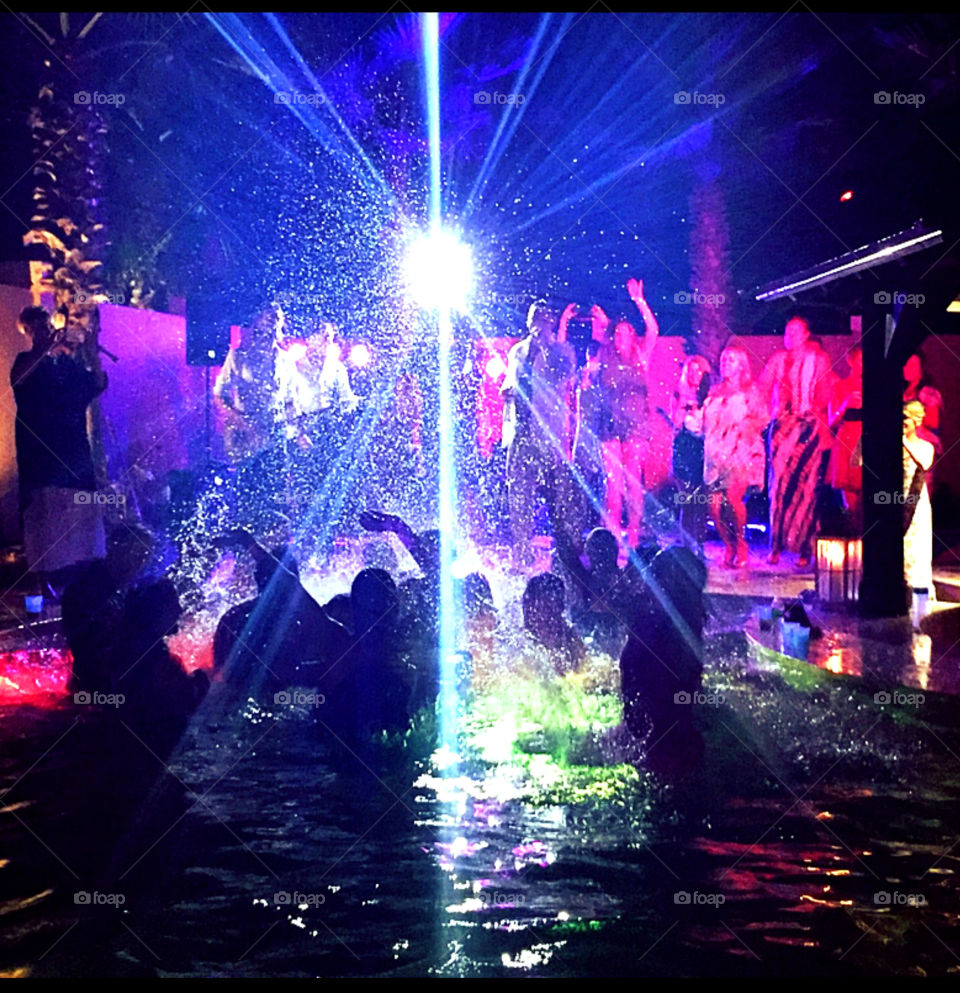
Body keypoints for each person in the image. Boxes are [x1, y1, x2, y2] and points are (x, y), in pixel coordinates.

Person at [11, 306, 108, 592]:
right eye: (35, 327)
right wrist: (44, 349)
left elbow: (96, 383)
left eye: (44, 324)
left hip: (73, 453)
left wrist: (90, 349)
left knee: (80, 513)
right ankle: (45, 583)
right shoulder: (26, 361)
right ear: (27, 332)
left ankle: (84, 578)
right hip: (41, 454)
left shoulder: (65, 365)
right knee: (44, 515)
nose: (42, 330)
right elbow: (18, 379)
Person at [501, 301, 578, 569]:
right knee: (519, 494)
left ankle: (564, 555)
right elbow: (510, 381)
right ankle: (521, 551)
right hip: (521, 432)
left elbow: (564, 376)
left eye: (544, 319)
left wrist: (548, 345)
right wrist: (507, 392)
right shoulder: (517, 351)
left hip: (549, 434)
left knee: (558, 496)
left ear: (551, 323)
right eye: (534, 318)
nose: (537, 324)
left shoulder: (562, 350)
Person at [758, 316, 833, 567]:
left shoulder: (819, 360)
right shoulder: (777, 359)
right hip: (781, 431)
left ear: (806, 334)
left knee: (806, 489)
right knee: (777, 487)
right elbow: (762, 388)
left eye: (796, 331)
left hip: (807, 430)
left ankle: (805, 548)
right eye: (787, 331)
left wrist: (807, 415)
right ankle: (775, 545)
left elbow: (824, 396)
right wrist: (769, 416)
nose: (790, 336)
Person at [597, 278, 660, 553]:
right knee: (613, 486)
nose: (621, 338)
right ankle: (612, 537)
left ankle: (633, 535)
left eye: (626, 333)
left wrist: (639, 301)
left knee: (633, 480)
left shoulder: (641, 355)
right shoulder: (606, 357)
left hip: (636, 426)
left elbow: (654, 330)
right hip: (611, 425)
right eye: (617, 334)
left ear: (633, 337)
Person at [703, 345, 766, 568]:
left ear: (741, 364)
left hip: (740, 453)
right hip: (715, 455)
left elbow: (762, 419)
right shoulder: (714, 391)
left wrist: (745, 429)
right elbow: (707, 422)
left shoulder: (751, 391)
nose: (726, 363)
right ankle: (728, 544)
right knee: (714, 506)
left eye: (731, 359)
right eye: (724, 359)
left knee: (733, 499)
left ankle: (741, 545)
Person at [213, 304, 284, 463]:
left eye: (277, 318)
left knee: (276, 484)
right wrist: (242, 423)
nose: (272, 323)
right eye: (269, 317)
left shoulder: (286, 360)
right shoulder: (238, 356)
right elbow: (219, 395)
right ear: (257, 322)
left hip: (274, 435)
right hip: (244, 437)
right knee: (248, 482)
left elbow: (291, 402)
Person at [670, 354, 712, 552]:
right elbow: (676, 423)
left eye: (699, 370)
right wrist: (684, 406)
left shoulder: (710, 396)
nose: (695, 374)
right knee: (686, 498)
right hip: (684, 448)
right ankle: (686, 544)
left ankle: (700, 543)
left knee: (701, 499)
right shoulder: (678, 394)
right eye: (691, 370)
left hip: (703, 449)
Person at [827, 346, 863, 533]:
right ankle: (853, 537)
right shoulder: (840, 387)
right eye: (860, 361)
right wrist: (845, 404)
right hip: (847, 440)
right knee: (849, 499)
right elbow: (831, 422)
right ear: (850, 362)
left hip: (867, 441)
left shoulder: (877, 386)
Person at [903, 401, 935, 602]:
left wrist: (903, 442)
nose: (902, 422)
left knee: (917, 547)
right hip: (895, 501)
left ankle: (919, 596)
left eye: (906, 418)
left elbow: (923, 463)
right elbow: (858, 461)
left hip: (917, 503)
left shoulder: (925, 446)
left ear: (917, 421)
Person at [903, 352, 944, 487]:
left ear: (921, 368)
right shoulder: (902, 392)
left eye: (913, 365)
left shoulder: (927, 393)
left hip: (921, 451)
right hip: (905, 452)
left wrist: (911, 417)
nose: (908, 368)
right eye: (906, 364)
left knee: (919, 497)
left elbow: (933, 421)